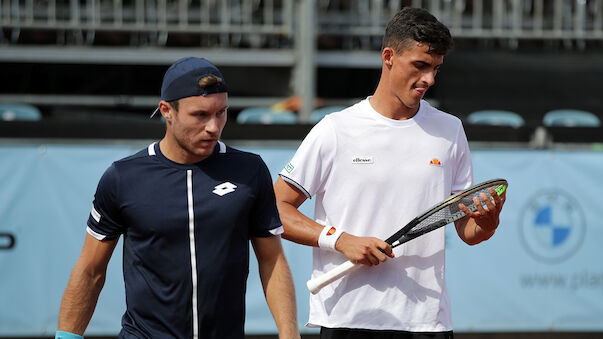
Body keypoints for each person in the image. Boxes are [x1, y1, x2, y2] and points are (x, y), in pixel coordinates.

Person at [274, 7, 506, 339]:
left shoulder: (450, 130)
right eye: (420, 66)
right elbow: (276, 208)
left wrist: (487, 221)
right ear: (389, 57)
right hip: (348, 319)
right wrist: (340, 240)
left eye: (436, 69)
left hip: (428, 323)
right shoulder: (335, 129)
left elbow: (468, 232)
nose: (429, 79)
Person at [56, 57, 300, 339]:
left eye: (221, 112)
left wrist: (289, 333)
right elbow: (90, 270)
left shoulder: (250, 170)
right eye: (200, 115)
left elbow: (272, 260)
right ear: (166, 111)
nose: (213, 127)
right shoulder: (122, 177)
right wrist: (66, 337)